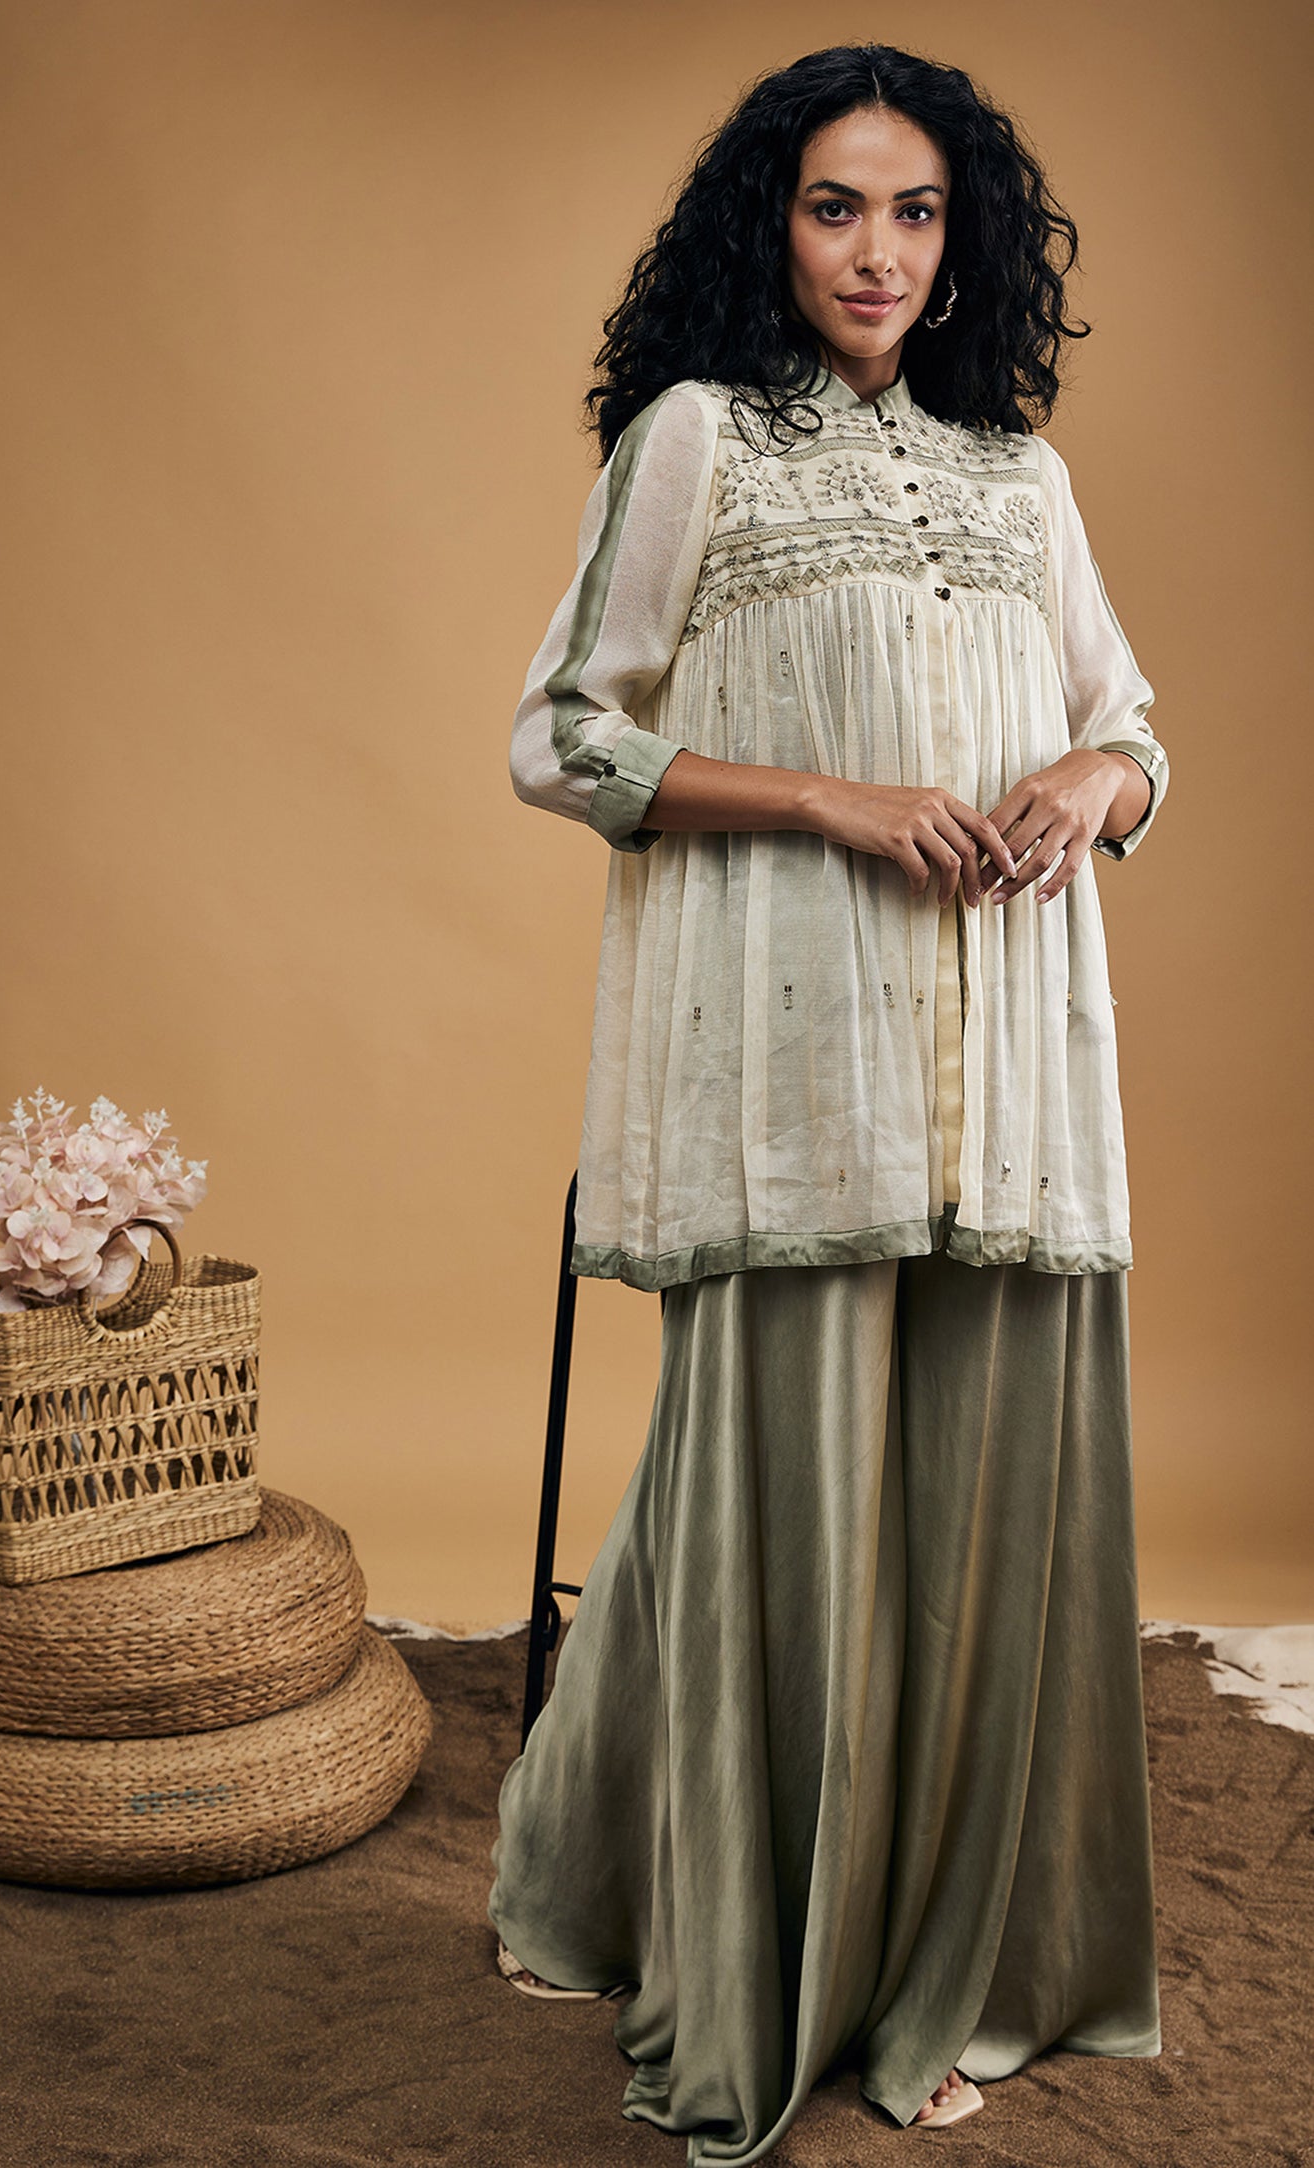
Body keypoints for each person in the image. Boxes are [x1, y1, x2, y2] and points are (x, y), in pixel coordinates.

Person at [487, 40, 1166, 2164]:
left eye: (918, 211)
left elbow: (1136, 730)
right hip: (797, 1074)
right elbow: (562, 738)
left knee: (973, 1523)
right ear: (767, 229)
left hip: (1012, 1077)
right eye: (835, 206)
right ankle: (751, 1947)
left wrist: (1093, 777)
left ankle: (944, 1957)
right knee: (779, 1508)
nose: (878, 251)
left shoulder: (1020, 477)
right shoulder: (701, 436)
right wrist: (832, 802)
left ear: (965, 244)